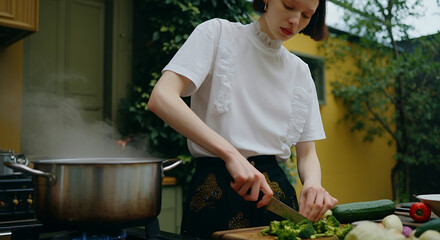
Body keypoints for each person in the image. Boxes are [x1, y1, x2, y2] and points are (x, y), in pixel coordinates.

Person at [147, 0, 338, 238]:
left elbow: (307, 153)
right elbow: (162, 97)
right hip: (215, 190)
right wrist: (231, 154)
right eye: (289, 6)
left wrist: (312, 184)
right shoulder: (217, 33)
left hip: (276, 198)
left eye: (307, 16)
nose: (295, 21)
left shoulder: (300, 71)